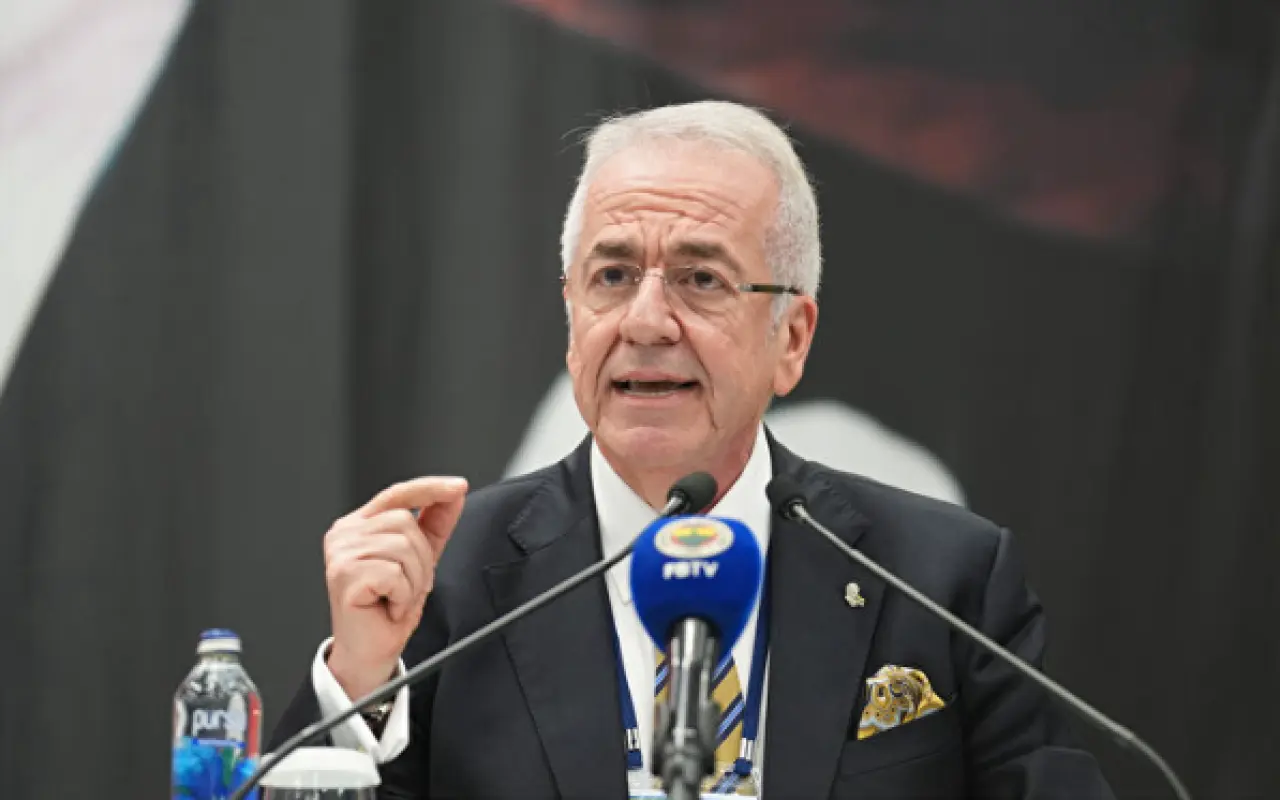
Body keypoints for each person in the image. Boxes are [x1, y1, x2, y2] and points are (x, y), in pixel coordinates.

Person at [271, 101, 1114, 799]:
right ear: (571, 318)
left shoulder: (941, 579)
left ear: (791, 337)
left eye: (701, 279)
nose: (644, 322)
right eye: (611, 277)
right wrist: (360, 683)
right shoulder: (447, 581)